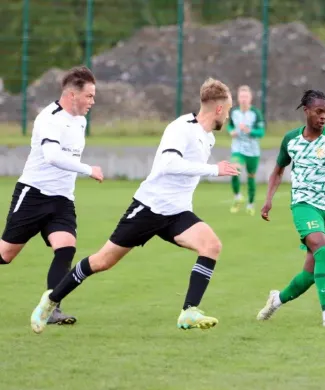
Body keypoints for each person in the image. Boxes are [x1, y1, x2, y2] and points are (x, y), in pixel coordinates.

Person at [30, 77, 239, 334]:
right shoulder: (181, 128)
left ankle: (189, 311)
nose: (228, 117)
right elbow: (168, 164)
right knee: (102, 261)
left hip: (176, 213)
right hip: (148, 209)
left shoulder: (208, 138)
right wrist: (213, 170)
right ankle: (50, 301)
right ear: (218, 109)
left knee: (211, 245)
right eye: (228, 111)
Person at [0, 65, 103, 326]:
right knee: (5, 255)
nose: (93, 101)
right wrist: (87, 169)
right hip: (33, 195)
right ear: (71, 95)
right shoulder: (49, 118)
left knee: (66, 247)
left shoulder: (81, 120)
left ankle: (53, 308)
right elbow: (52, 156)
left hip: (62, 200)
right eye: (89, 96)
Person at [256, 89, 325, 328]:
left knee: (310, 274)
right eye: (319, 111)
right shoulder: (291, 140)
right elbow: (278, 171)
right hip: (302, 205)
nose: (323, 117)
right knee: (323, 248)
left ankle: (276, 300)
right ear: (306, 111)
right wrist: (269, 199)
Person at [227, 85, 265, 216]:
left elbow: (261, 132)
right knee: (234, 170)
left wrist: (250, 131)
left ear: (250, 98)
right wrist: (231, 131)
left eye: (246, 97)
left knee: (251, 177)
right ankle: (237, 197)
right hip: (238, 149)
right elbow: (230, 125)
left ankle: (250, 204)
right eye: (241, 96)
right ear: (238, 98)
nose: (243, 99)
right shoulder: (234, 112)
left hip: (253, 152)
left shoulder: (255, 113)